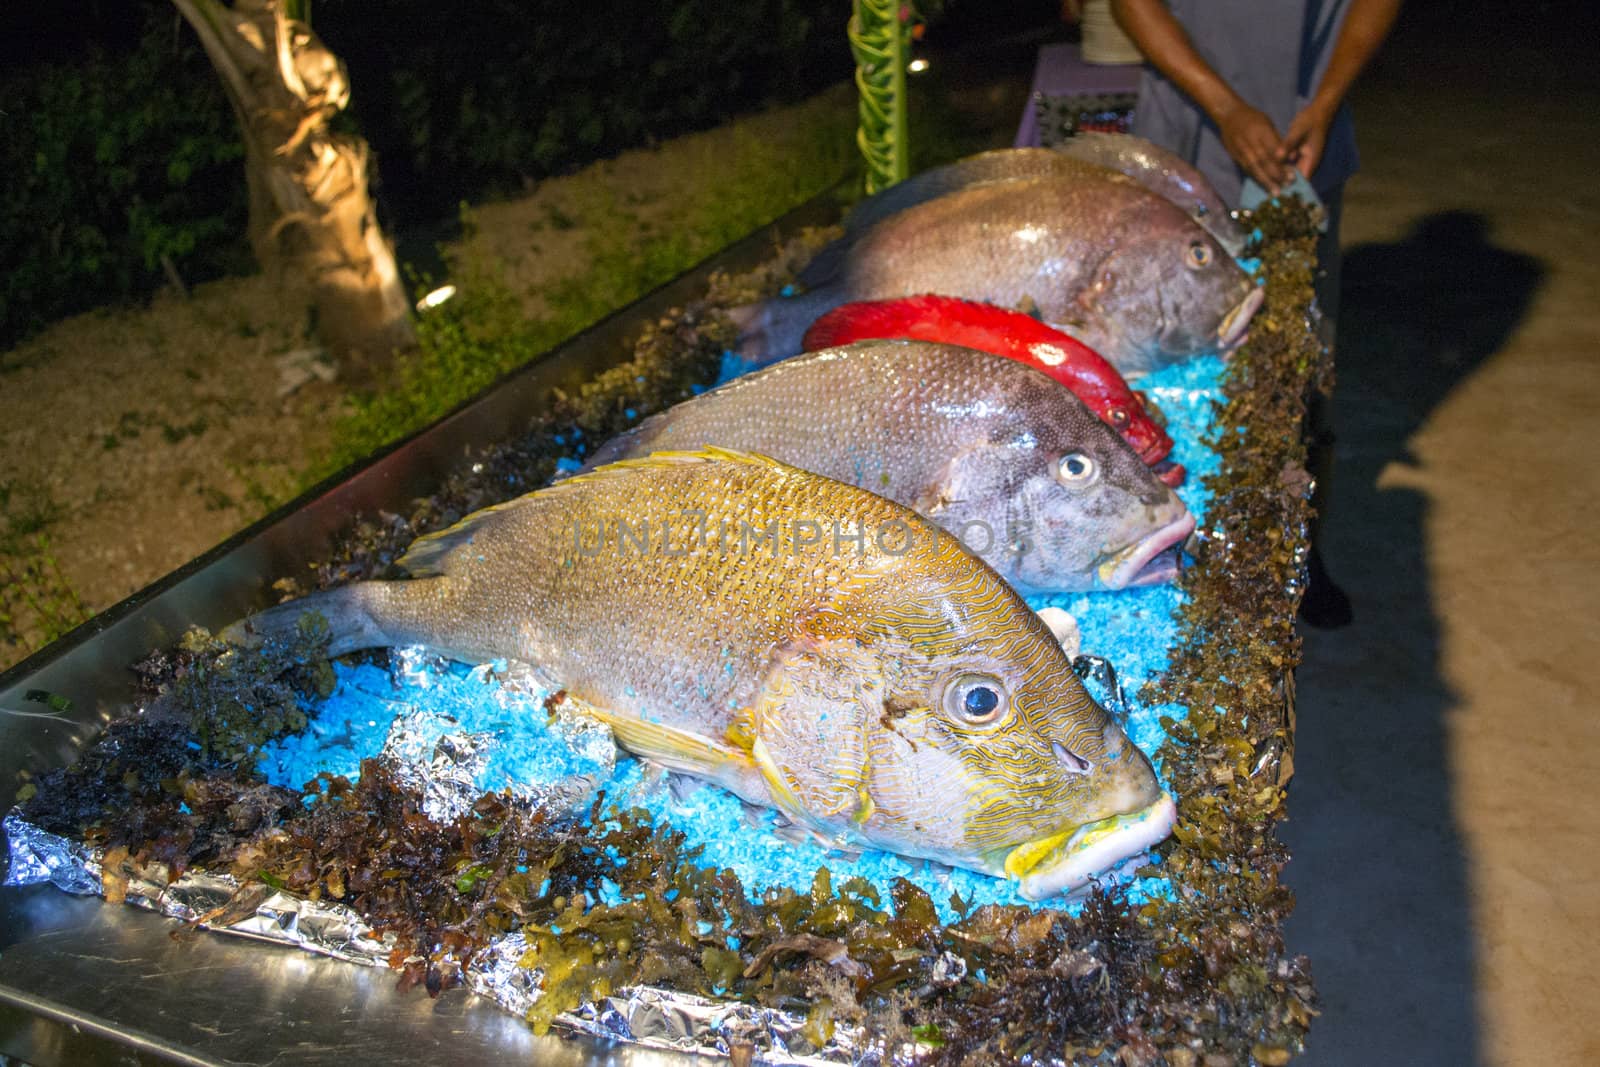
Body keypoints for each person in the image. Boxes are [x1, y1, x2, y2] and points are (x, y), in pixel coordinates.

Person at [1107, 0, 1404, 628]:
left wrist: (1324, 104)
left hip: (1302, 139)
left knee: (1297, 363)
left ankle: (1298, 550)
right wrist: (1225, 107)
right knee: (1170, 371)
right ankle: (1175, 551)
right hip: (1186, 133)